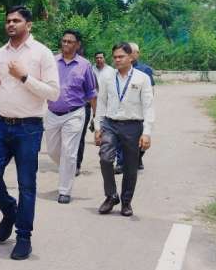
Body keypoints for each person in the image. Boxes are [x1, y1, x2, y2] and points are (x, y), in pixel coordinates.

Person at [0, 5, 59, 260]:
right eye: (8, 20)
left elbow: (54, 93)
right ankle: (9, 209)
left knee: (26, 184)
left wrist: (24, 77)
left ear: (28, 25)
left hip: (29, 128)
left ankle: (23, 237)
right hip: (0, 125)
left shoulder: (42, 53)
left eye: (17, 20)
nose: (11, 24)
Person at [94, 42, 154, 217]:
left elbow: (148, 106)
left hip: (132, 126)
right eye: (115, 57)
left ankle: (126, 202)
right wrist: (97, 126)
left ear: (131, 57)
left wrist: (147, 132)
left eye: (121, 56)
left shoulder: (142, 78)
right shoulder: (107, 78)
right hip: (110, 124)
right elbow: (101, 102)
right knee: (105, 159)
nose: (117, 60)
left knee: (130, 166)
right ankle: (111, 196)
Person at [45, 30, 97, 203]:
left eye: (70, 41)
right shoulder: (52, 62)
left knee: (69, 152)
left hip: (74, 114)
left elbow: (91, 93)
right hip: (52, 113)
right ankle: (68, 167)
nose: (66, 44)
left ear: (77, 45)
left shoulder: (85, 65)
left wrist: (96, 117)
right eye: (64, 41)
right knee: (53, 151)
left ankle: (64, 191)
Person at [129, 42, 155, 170]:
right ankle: (123, 162)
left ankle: (138, 157)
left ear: (137, 54)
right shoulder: (120, 68)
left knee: (141, 135)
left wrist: (148, 105)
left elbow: (151, 89)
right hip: (125, 108)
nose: (129, 54)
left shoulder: (145, 70)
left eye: (131, 52)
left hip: (140, 108)